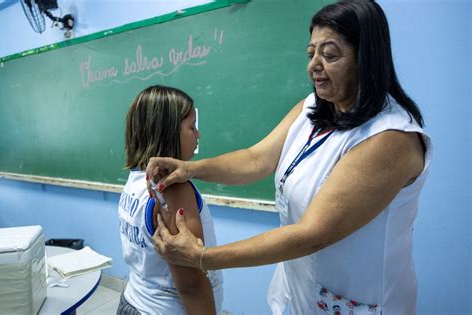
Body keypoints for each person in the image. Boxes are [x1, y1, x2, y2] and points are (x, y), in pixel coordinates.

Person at [147, 1, 432, 314]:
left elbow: (311, 235)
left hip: (359, 300)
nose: (314, 65)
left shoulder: (390, 138)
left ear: (367, 58)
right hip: (302, 291)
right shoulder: (314, 108)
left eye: (330, 54)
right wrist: (190, 169)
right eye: (311, 53)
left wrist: (203, 257)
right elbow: (256, 159)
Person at [117, 85, 223, 315]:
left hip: (132, 301)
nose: (198, 134)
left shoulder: (136, 177)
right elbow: (191, 283)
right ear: (168, 133)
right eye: (191, 127)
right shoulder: (173, 189)